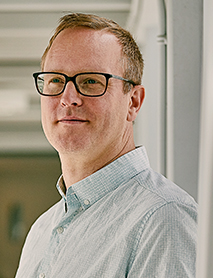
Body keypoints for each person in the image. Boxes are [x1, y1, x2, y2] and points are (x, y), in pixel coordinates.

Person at [15, 13, 197, 278]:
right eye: (55, 80)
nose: (68, 98)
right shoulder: (41, 231)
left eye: (90, 81)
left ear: (133, 102)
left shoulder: (163, 218)